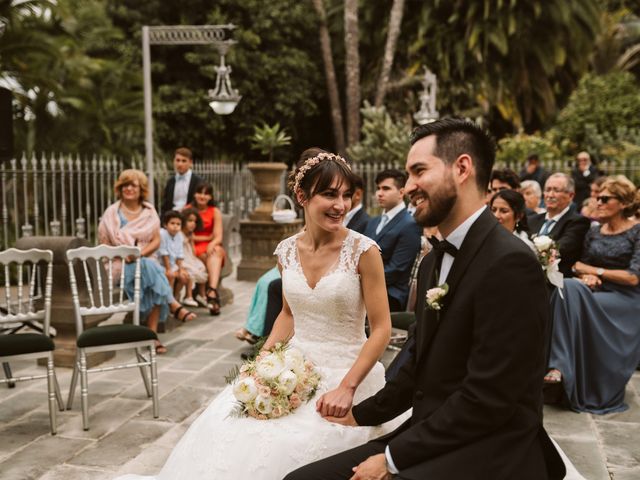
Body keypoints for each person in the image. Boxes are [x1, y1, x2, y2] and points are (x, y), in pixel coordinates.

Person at [286, 118, 572, 480]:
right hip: (435, 434)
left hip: (491, 449)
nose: (408, 188)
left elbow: (489, 398)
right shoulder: (436, 259)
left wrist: (392, 459)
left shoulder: (511, 263)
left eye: (418, 171)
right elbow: (418, 363)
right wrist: (359, 413)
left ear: (462, 168)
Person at [114, 148, 406, 480]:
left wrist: (347, 388)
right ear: (301, 195)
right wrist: (260, 364)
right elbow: (287, 315)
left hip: (346, 371)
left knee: (293, 443)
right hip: (293, 366)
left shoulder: (363, 251)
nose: (340, 205)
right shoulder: (286, 251)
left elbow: (382, 329)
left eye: (345, 195)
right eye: (328, 194)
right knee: (229, 423)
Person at [545, 175, 640, 414]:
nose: (598, 202)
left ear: (624, 203)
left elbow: (633, 277)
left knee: (570, 290)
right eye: (597, 197)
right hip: (596, 291)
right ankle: (557, 368)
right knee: (568, 286)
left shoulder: (637, 231)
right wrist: (585, 275)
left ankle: (561, 367)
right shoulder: (595, 231)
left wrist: (596, 271)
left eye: (605, 198)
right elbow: (579, 265)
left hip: (625, 299)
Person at [98, 170, 196, 355]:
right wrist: (125, 254)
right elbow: (104, 245)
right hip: (119, 263)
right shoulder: (111, 213)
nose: (128, 189)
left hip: (144, 259)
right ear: (120, 188)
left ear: (141, 189)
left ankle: (152, 334)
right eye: (125, 185)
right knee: (154, 270)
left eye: (133, 185)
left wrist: (138, 254)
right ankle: (170, 310)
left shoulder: (149, 211)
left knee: (150, 269)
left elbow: (156, 241)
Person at [364, 169, 422, 311]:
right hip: (367, 287)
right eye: (378, 188)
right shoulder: (373, 222)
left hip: (391, 294)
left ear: (401, 192)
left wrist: (360, 279)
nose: (379, 193)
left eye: (386, 188)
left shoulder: (410, 224)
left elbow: (396, 269)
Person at [529, 173, 590, 277]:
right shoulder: (532, 220)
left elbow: (560, 249)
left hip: (557, 281)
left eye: (556, 190)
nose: (550, 195)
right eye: (547, 190)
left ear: (571, 195)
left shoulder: (578, 222)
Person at [188, 183, 225, 316]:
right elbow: (187, 235)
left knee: (216, 251)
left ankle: (212, 290)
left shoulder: (214, 211)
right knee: (207, 255)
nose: (202, 196)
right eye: (199, 193)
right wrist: (205, 238)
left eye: (206, 193)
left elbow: (218, 236)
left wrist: (211, 242)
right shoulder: (188, 210)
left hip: (210, 245)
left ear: (210, 196)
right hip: (192, 245)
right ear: (194, 194)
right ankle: (211, 296)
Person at [160, 147, 204, 215]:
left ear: (190, 162)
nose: (180, 164)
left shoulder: (198, 181)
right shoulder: (170, 181)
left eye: (184, 161)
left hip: (189, 217)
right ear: (174, 161)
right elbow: (165, 205)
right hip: (172, 218)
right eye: (177, 160)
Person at [179, 207, 208, 307]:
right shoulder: (179, 233)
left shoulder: (191, 234)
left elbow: (193, 251)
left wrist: (191, 241)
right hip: (182, 258)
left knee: (201, 267)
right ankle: (188, 295)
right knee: (190, 270)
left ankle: (202, 294)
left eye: (195, 221)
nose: (193, 224)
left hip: (190, 257)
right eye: (190, 221)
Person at [157, 211, 189, 299]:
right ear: (165, 224)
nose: (175, 226)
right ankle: (169, 300)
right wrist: (168, 269)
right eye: (172, 223)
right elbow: (163, 252)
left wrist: (181, 269)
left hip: (172, 264)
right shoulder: (162, 234)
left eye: (178, 224)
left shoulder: (179, 236)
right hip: (160, 264)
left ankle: (175, 296)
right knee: (171, 276)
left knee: (184, 276)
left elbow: (179, 254)